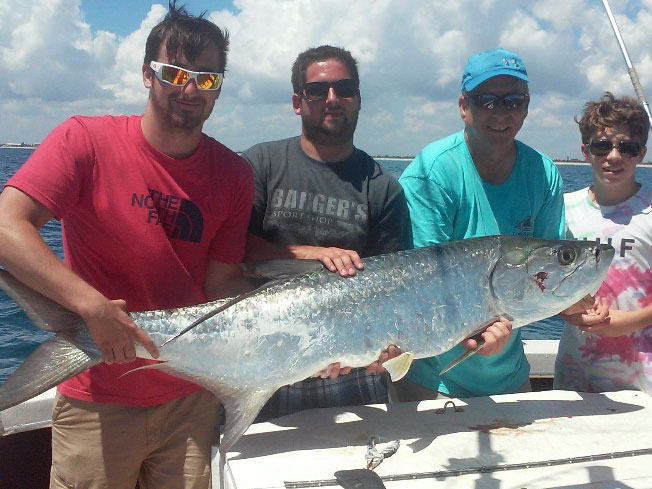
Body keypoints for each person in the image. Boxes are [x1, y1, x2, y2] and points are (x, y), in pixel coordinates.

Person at [0, 2, 253, 488]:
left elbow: (221, 284)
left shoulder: (235, 175)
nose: (188, 88)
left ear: (219, 88)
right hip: (97, 399)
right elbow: (8, 227)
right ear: (146, 74)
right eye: (174, 72)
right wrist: (91, 308)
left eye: (206, 78)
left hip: (191, 397)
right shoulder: (84, 141)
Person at [395, 48, 603, 401]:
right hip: (432, 381)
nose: (502, 112)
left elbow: (547, 275)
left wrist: (577, 305)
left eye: (513, 101)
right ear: (465, 105)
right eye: (487, 100)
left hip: (511, 376)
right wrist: (473, 339)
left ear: (526, 106)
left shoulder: (543, 172)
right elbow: (420, 286)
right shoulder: (434, 171)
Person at [242, 45, 410, 419]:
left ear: (358, 100)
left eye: (344, 89)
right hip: (263, 354)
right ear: (298, 102)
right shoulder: (260, 165)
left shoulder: (383, 188)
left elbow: (395, 289)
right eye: (318, 91)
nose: (332, 99)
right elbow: (230, 253)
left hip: (350, 371)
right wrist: (308, 254)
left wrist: (386, 352)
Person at [554, 92, 652, 394]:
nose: (613, 156)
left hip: (642, 379)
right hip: (574, 374)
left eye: (627, 147)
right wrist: (567, 311)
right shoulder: (562, 209)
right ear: (585, 151)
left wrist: (626, 322)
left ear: (641, 153)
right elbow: (541, 284)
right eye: (601, 146)